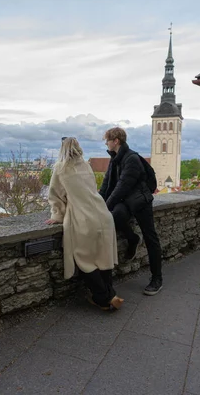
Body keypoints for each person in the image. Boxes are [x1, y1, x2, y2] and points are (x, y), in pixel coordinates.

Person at [46, 137, 124, 311]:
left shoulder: (60, 168)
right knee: (103, 257)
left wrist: (57, 215)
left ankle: (104, 299)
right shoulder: (86, 166)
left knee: (85, 259)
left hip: (83, 217)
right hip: (102, 214)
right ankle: (111, 293)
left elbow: (55, 195)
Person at [99, 127, 164, 295]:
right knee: (116, 216)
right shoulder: (115, 158)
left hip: (141, 201)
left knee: (151, 238)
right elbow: (106, 185)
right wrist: (97, 203)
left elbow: (122, 187)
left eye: (107, 140)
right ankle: (133, 238)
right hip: (127, 201)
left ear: (116, 141)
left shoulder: (131, 159)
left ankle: (157, 278)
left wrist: (105, 206)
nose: (106, 143)